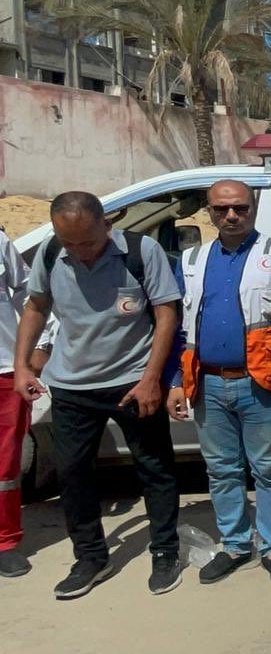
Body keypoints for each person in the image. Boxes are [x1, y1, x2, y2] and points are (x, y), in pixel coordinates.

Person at [12, 192, 182, 599]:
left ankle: (165, 551)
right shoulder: (54, 253)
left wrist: (151, 378)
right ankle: (91, 557)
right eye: (68, 242)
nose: (78, 251)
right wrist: (22, 365)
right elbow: (36, 306)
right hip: (71, 386)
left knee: (154, 469)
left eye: (86, 241)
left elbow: (166, 314)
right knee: (73, 474)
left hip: (132, 382)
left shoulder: (142, 252)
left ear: (106, 225)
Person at [163, 180, 271, 585]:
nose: (231, 216)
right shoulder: (191, 260)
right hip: (207, 384)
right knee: (221, 470)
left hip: (262, 382)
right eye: (221, 209)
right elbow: (178, 330)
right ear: (208, 212)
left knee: (269, 468)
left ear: (253, 209)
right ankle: (236, 545)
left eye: (240, 208)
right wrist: (174, 381)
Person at [0, 227, 33, 578]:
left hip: (4, 369)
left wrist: (34, 348)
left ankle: (4, 541)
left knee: (5, 464)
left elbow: (28, 292)